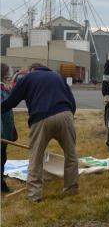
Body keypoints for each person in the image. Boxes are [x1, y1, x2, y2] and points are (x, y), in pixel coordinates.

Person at [1, 63, 78, 202]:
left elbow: (11, 101)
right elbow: (72, 100)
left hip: (41, 118)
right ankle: (71, 190)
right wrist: (69, 116)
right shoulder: (58, 76)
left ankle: (34, 196)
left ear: (32, 70)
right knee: (71, 155)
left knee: (36, 158)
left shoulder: (28, 78)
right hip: (65, 114)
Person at [1, 63, 18, 193]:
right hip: (1, 133)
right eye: (8, 74)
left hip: (6, 132)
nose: (9, 76)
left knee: (3, 157)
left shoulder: (5, 89)